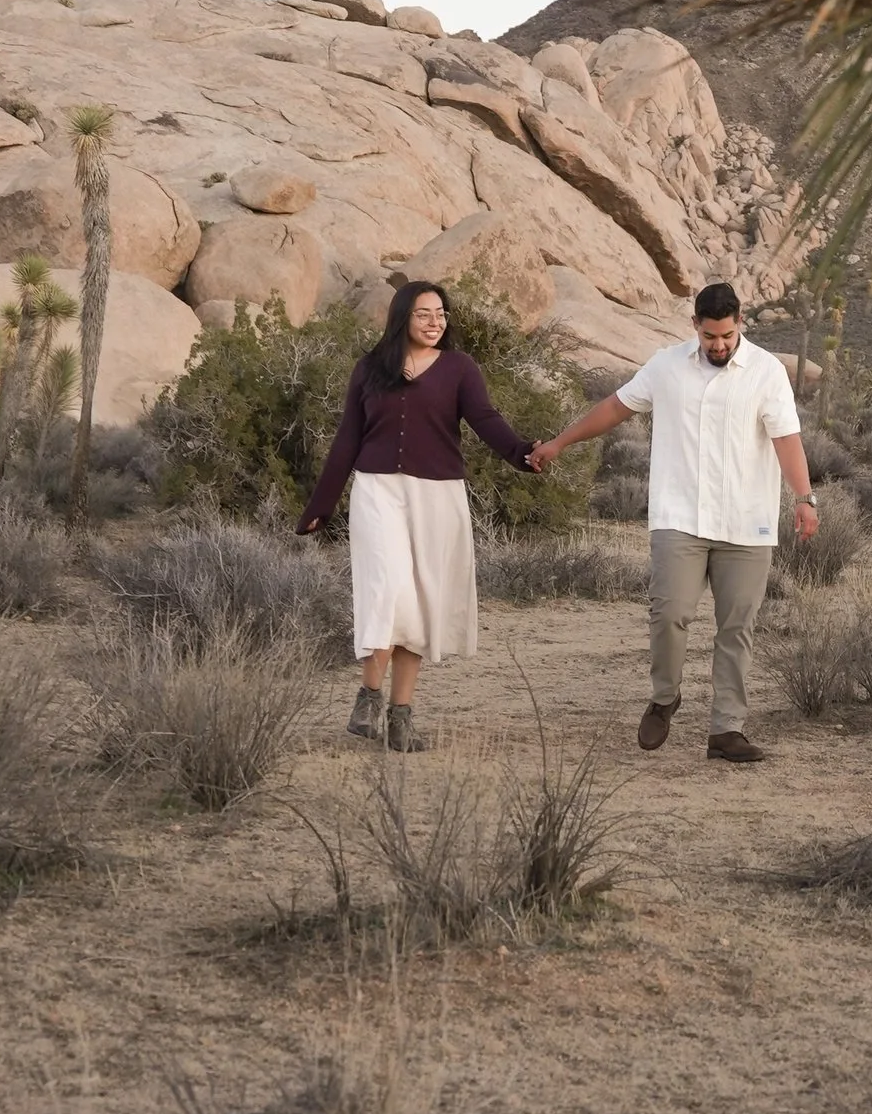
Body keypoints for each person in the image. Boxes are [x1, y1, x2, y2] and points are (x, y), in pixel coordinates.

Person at [531, 280, 814, 764]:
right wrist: (560, 442)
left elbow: (786, 440)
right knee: (669, 613)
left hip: (746, 523)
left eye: (726, 336)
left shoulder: (766, 372)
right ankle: (665, 697)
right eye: (710, 337)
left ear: (739, 323)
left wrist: (804, 499)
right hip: (679, 517)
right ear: (695, 328)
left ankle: (727, 730)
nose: (719, 346)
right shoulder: (666, 366)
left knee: (736, 627)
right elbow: (615, 408)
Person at [298, 280, 537, 750]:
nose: (435, 322)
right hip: (378, 491)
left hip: (438, 496)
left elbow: (484, 419)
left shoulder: (459, 369)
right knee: (385, 590)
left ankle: (401, 716)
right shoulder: (370, 369)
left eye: (442, 314)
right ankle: (369, 697)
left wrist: (522, 453)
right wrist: (321, 505)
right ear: (402, 317)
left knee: (420, 603)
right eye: (424, 314)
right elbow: (348, 437)